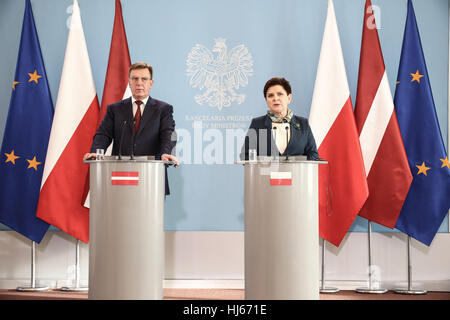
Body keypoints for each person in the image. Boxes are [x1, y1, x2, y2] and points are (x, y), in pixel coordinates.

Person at [83, 62, 179, 194]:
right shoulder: (115, 109)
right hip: (120, 178)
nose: (139, 83)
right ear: (129, 82)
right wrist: (96, 152)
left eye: (144, 79)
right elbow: (103, 135)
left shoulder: (164, 109)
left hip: (151, 178)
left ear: (151, 83)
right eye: (135, 79)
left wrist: (165, 153)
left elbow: (167, 134)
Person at [240, 77, 319, 160]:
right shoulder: (257, 123)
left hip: (296, 172)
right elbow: (245, 156)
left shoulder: (303, 123)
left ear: (289, 98)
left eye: (280, 94)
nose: (275, 98)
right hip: (266, 172)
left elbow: (313, 155)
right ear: (266, 100)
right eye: (270, 95)